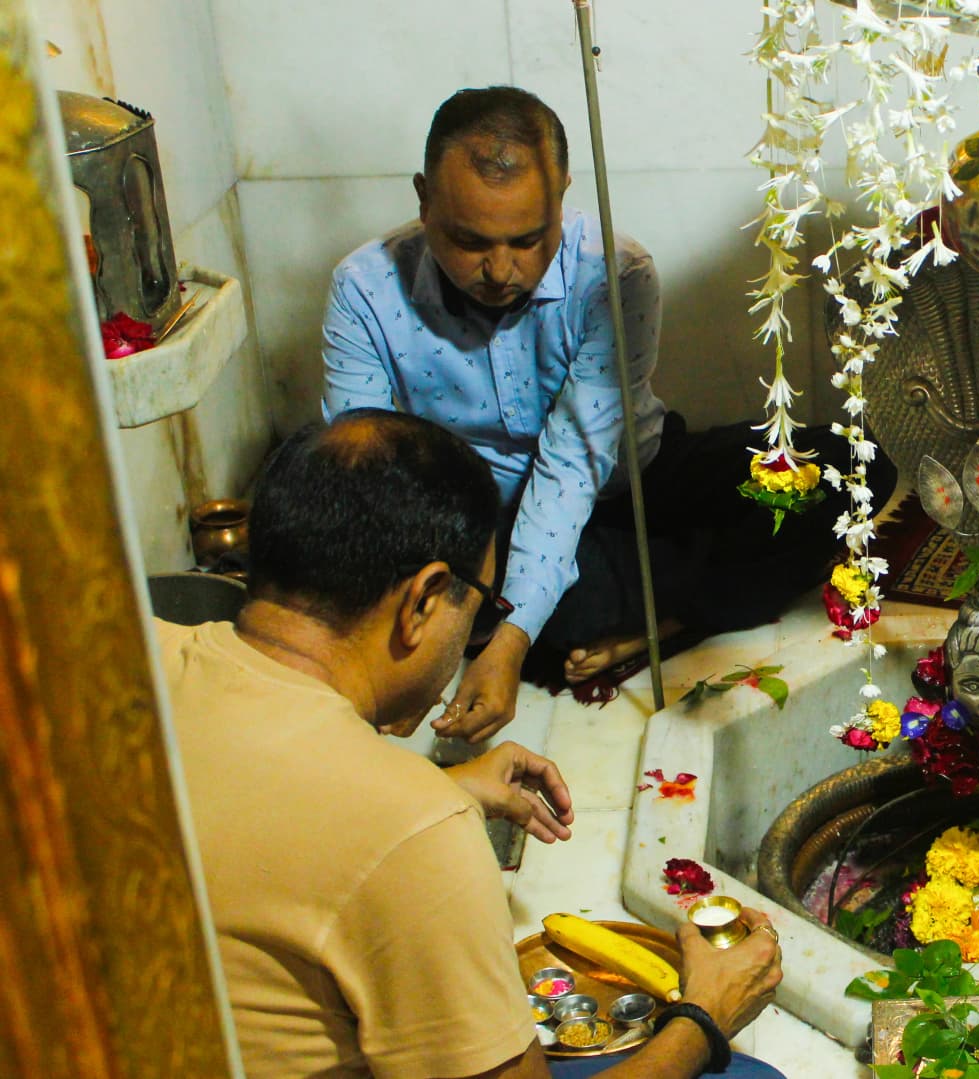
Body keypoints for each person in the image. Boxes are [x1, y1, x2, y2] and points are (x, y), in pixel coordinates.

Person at [160, 409, 785, 1079]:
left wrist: (442, 787)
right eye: (483, 604)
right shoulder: (416, 834)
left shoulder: (142, 656)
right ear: (424, 600)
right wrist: (706, 1016)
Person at [322, 86, 892, 742]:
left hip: (635, 477)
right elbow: (369, 476)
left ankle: (655, 618)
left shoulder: (617, 273)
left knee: (852, 469)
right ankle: (639, 595)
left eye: (528, 240)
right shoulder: (364, 290)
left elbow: (572, 464)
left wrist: (508, 640)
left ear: (562, 196)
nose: (501, 271)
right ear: (424, 200)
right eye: (469, 241)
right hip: (487, 522)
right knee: (497, 592)